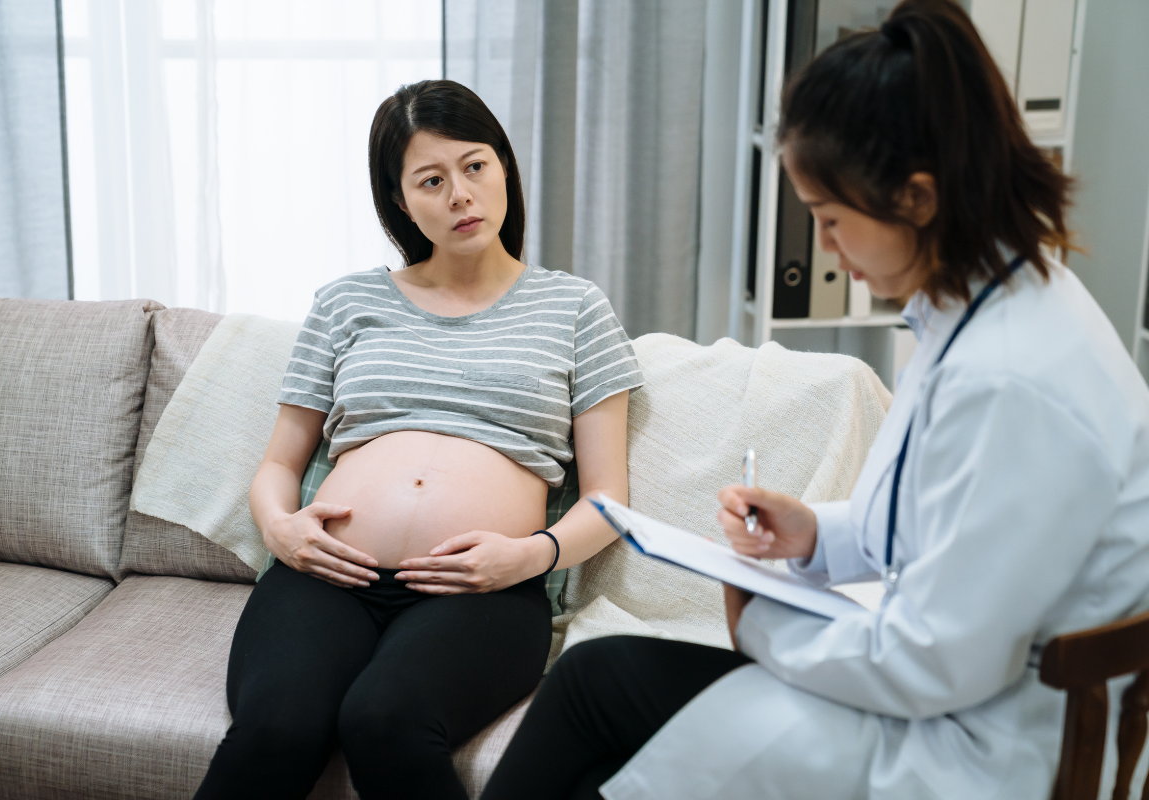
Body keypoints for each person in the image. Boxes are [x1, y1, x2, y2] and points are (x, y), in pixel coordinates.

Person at [479, 1, 1149, 798]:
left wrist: (759, 623)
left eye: (831, 220)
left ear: (918, 201)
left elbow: (936, 659)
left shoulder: (1007, 377)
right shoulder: (994, 297)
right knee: (596, 683)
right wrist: (813, 532)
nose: (826, 247)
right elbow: (938, 523)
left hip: (974, 745)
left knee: (601, 704)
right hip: (955, 691)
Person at [193, 79, 643, 800]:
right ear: (401, 202)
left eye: (475, 166)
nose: (461, 194)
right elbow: (279, 462)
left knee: (384, 719)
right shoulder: (347, 301)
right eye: (431, 180)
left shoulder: (575, 307)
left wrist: (530, 556)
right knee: (277, 727)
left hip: (485, 589)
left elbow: (609, 497)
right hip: (329, 576)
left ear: (503, 168)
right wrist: (282, 529)